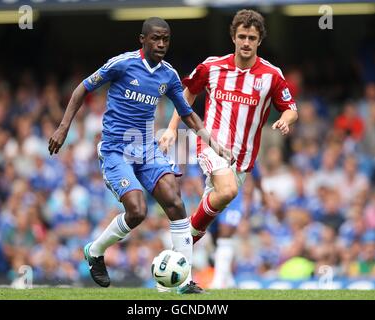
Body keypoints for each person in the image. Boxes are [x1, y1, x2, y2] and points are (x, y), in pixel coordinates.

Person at [48, 17, 231, 294]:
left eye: (165, 39)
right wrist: (63, 127)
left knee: (175, 201)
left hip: (147, 149)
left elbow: (187, 114)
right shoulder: (122, 64)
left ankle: (184, 282)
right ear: (142, 39)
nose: (161, 44)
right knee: (137, 211)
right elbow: (82, 88)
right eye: (155, 38)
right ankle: (95, 250)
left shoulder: (168, 75)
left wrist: (214, 144)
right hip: (115, 150)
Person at [159, 9, 298, 275]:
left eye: (252, 38)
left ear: (259, 41)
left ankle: (176, 254)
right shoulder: (212, 67)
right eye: (242, 36)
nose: (246, 42)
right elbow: (185, 95)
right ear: (233, 37)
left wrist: (286, 120)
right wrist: (172, 128)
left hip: (243, 160)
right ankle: (180, 246)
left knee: (210, 213)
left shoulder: (272, 75)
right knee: (228, 191)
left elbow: (291, 107)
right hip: (210, 143)